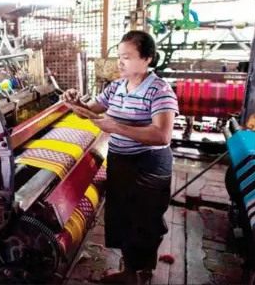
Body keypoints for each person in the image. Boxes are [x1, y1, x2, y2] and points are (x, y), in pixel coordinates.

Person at [61, 30, 179, 284]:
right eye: (119, 56)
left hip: (148, 164)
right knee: (123, 215)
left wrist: (115, 127)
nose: (120, 62)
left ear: (147, 59)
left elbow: (162, 135)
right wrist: (73, 105)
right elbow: (91, 113)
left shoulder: (159, 91)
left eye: (127, 57)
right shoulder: (116, 86)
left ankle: (136, 273)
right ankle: (135, 269)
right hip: (121, 160)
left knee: (144, 218)